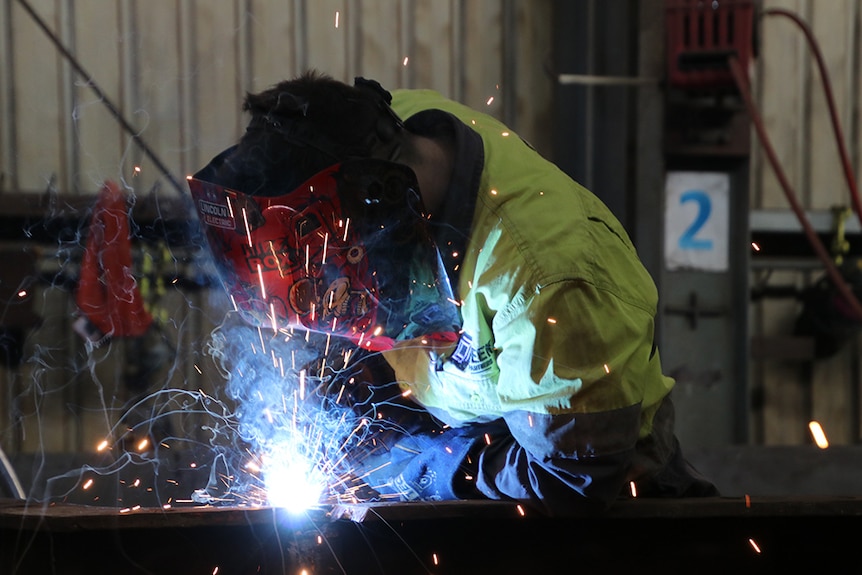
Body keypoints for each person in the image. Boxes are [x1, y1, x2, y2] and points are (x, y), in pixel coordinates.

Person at [188, 70, 718, 515]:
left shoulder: (549, 284)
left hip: (582, 487)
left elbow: (574, 485)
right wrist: (347, 374)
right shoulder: (390, 137)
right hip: (454, 404)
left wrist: (405, 462)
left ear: (379, 209)